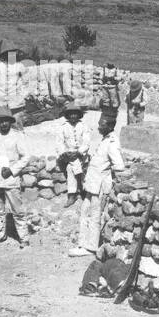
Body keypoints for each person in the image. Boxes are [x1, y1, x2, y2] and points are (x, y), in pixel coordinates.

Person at [70, 111, 125, 257]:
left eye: (101, 124)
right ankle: (83, 244)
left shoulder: (112, 143)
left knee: (94, 217)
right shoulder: (105, 140)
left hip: (99, 186)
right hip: (92, 185)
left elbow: (119, 166)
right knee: (84, 213)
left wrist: (107, 178)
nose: (99, 126)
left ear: (109, 126)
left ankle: (90, 247)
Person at [0, 106, 32, 247]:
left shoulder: (17, 136)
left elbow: (25, 157)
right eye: (0, 121)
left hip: (10, 178)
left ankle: (23, 238)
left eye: (6, 121)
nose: (3, 124)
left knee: (17, 210)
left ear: (10, 122)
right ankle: (0, 235)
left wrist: (12, 170)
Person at [0, 45, 32, 126]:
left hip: (16, 104)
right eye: (10, 53)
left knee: (17, 126)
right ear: (5, 55)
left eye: (14, 53)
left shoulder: (20, 66)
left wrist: (23, 95)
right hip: (0, 104)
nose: (13, 55)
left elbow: (26, 83)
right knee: (3, 128)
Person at [56, 101, 91, 207]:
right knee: (71, 167)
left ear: (79, 115)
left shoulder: (84, 126)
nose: (73, 116)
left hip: (81, 155)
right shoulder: (63, 127)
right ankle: (75, 193)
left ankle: (78, 192)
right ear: (67, 115)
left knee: (74, 169)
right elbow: (59, 142)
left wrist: (79, 152)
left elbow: (86, 142)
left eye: (75, 113)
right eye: (70, 114)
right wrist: (63, 153)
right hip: (68, 155)